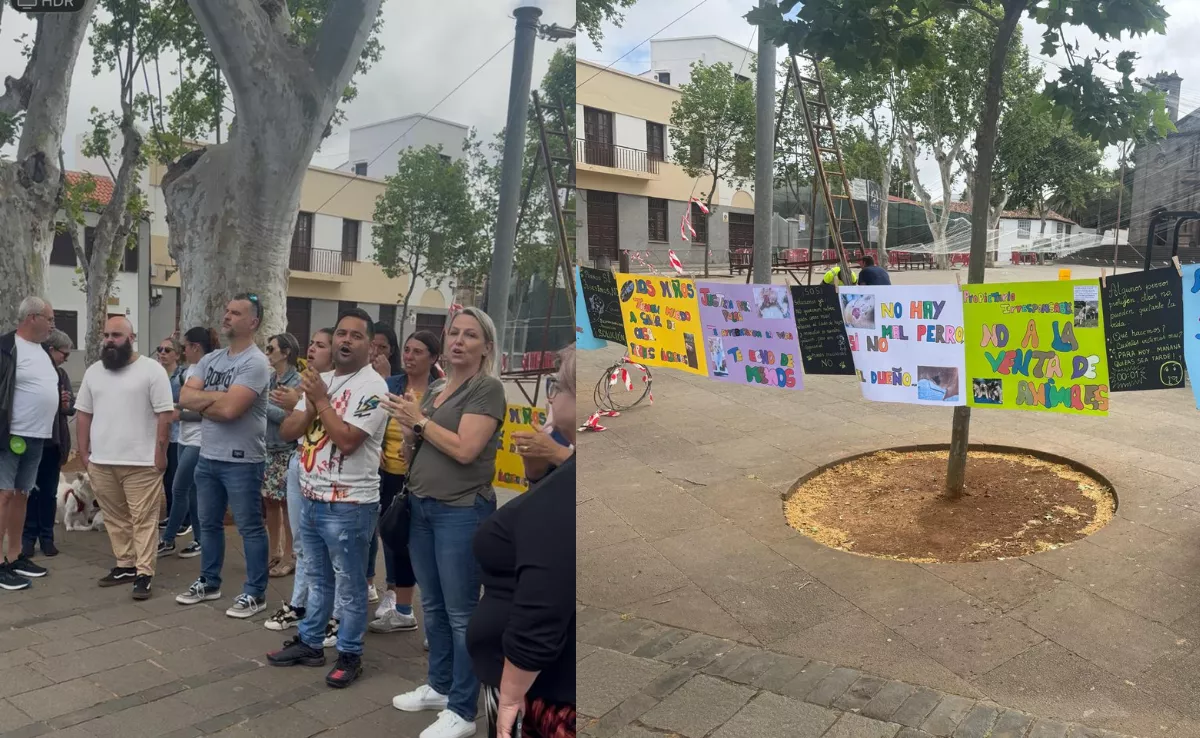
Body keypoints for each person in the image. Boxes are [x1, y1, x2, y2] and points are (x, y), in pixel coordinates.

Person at [387, 307, 506, 738]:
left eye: (470, 335)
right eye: (454, 333)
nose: (458, 341)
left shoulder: (486, 389)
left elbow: (465, 450)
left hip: (460, 510)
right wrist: (407, 430)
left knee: (460, 613)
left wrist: (419, 421)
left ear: (485, 347)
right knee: (433, 607)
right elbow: (414, 451)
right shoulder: (437, 388)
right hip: (421, 506)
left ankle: (463, 708)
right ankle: (439, 686)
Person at [267, 309, 389, 690]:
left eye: (356, 335)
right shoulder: (323, 380)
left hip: (350, 504)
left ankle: (350, 654)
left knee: (350, 586)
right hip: (312, 495)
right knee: (317, 578)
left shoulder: (374, 387)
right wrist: (312, 399)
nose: (346, 340)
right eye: (341, 334)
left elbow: (349, 440)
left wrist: (319, 400)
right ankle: (310, 642)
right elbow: (288, 430)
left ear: (369, 346)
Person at [470, 345, 576, 738]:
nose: (551, 396)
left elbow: (545, 595)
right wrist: (539, 465)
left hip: (544, 689)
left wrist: (512, 692)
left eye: (557, 385)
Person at [176, 294, 272, 618]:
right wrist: (216, 400)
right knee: (208, 523)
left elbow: (231, 410)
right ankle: (209, 581)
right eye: (227, 310)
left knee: (249, 527)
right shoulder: (211, 359)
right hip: (208, 456)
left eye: (236, 313)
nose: (227, 316)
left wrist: (207, 402)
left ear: (253, 322)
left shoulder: (256, 362)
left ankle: (256, 593)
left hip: (243, 460)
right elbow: (184, 397)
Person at [75, 316, 176, 600]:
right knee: (115, 518)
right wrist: (84, 453)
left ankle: (144, 572)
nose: (109, 340)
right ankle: (125, 565)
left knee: (143, 519)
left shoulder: (152, 370)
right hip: (102, 462)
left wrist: (160, 454)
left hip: (142, 463)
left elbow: (164, 415)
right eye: (106, 335)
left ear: (132, 338)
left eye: (116, 335)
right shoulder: (94, 371)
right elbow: (84, 413)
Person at [369, 329, 443, 635]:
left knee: (426, 548)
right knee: (396, 538)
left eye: (418, 352)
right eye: (408, 350)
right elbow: (373, 421)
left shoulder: (442, 391)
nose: (409, 357)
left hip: (424, 478)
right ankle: (401, 609)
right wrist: (376, 452)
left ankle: (436, 621)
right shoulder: (392, 384)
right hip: (391, 474)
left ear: (434, 358)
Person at [263, 328, 335, 633]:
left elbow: (343, 433)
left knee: (328, 550)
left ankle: (333, 617)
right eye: (312, 343)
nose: (313, 350)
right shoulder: (305, 385)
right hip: (297, 461)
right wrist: (296, 405)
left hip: (327, 474)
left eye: (320, 345)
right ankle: (299, 603)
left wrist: (299, 403)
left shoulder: (326, 385)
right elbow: (288, 428)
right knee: (300, 539)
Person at [0, 297, 59, 590]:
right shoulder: (5, 347)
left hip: (37, 437)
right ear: (32, 317)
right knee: (4, 495)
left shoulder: (43, 351)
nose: (52, 325)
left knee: (22, 494)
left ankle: (14, 557)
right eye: (49, 319)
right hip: (10, 435)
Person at [160, 327, 220, 558]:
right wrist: (177, 409)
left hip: (199, 439)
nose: (182, 350)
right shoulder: (190, 371)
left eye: (184, 346)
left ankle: (168, 539)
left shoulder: (209, 371)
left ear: (195, 347)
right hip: (184, 437)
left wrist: (181, 414)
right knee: (193, 492)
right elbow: (186, 405)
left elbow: (209, 410)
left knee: (179, 488)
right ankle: (200, 539)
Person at [21, 329, 74, 559]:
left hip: (54, 443)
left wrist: (64, 403)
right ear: (51, 349)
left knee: (49, 493)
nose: (66, 358)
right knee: (29, 492)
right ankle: (27, 539)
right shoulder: (31, 373)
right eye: (64, 353)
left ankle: (47, 537)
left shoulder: (61, 376)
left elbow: (68, 408)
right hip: (32, 441)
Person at [264, 332, 302, 577]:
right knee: (270, 501)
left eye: (271, 348)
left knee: (288, 505)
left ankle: (290, 555)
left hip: (286, 449)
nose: (267, 352)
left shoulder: (295, 381)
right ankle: (274, 552)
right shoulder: (270, 379)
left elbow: (292, 417)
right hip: (267, 447)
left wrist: (262, 406)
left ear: (286, 352)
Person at [156, 336, 188, 528]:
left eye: (167, 350)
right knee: (166, 477)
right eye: (160, 349)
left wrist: (172, 408)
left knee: (178, 478)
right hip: (160, 433)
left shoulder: (182, 375)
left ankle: (184, 519)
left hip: (178, 433)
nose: (162, 353)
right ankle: (171, 515)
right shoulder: (156, 374)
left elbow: (189, 403)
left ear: (177, 354)